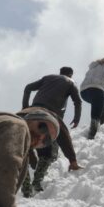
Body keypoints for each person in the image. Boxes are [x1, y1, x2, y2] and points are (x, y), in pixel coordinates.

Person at [20, 66, 83, 195]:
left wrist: (25, 107)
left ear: (60, 73)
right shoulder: (70, 82)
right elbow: (77, 102)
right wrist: (72, 161)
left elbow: (27, 88)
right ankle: (37, 182)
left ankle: (25, 187)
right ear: (71, 74)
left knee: (21, 150)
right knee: (47, 154)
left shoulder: (47, 78)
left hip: (27, 112)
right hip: (50, 113)